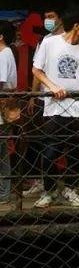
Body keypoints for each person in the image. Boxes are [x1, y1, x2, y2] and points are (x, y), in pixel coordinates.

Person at [33, 8, 79, 207]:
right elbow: (37, 69)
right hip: (55, 107)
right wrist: (52, 87)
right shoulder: (50, 43)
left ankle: (71, 189)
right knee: (51, 150)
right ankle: (49, 191)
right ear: (76, 25)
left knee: (77, 151)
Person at [0, 25, 17, 203]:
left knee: (2, 152)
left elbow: (0, 82)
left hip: (1, 107)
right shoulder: (7, 53)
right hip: (5, 107)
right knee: (2, 152)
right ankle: (4, 192)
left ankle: (3, 193)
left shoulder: (3, 54)